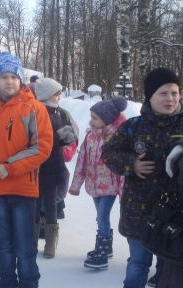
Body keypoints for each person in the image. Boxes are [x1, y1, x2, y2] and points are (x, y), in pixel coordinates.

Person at [0, 51, 53, 288]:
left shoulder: (34, 108)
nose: (9, 81)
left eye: (14, 77)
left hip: (23, 190)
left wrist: (10, 168)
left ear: (21, 80)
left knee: (25, 250)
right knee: (3, 247)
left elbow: (41, 147)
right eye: (4, 76)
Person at [101, 67, 182, 288]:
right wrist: (131, 164)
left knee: (170, 267)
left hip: (174, 215)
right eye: (163, 93)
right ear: (150, 96)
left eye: (175, 93)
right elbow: (108, 153)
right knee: (138, 263)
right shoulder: (133, 126)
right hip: (138, 213)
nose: (170, 98)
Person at [69, 96, 127, 270]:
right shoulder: (90, 136)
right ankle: (106, 245)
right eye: (91, 117)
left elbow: (122, 165)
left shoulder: (116, 137)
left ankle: (101, 252)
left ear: (107, 119)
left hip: (110, 186)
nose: (91, 121)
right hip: (94, 185)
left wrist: (123, 189)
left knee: (102, 217)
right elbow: (82, 161)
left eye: (95, 118)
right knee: (101, 218)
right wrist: (76, 185)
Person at [34, 78, 78, 259]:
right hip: (38, 166)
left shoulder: (59, 112)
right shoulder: (36, 111)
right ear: (46, 96)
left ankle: (50, 242)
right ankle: (33, 239)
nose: (59, 97)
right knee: (35, 204)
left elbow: (56, 140)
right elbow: (36, 140)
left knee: (52, 204)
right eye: (56, 94)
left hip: (54, 164)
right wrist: (56, 137)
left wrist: (66, 139)